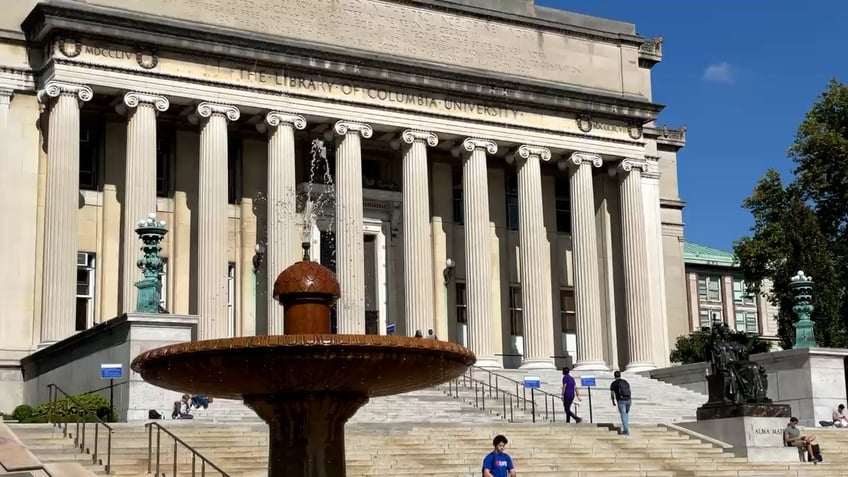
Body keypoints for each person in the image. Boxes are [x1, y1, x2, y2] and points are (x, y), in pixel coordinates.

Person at [610, 370, 632, 436]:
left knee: (623, 415)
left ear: (614, 376)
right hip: (628, 399)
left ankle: (626, 430)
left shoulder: (614, 383)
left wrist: (613, 401)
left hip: (621, 401)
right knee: (626, 414)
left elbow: (612, 394)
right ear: (620, 375)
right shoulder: (625, 381)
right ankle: (626, 426)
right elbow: (629, 390)